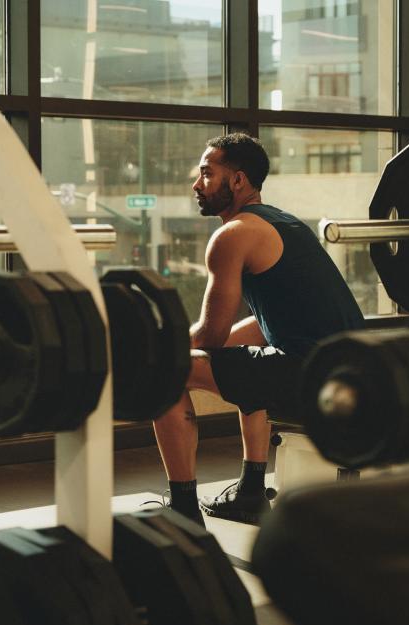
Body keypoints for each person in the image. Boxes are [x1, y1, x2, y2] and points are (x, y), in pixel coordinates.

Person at [153, 132, 365, 526]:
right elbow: (268, 325)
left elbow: (210, 338)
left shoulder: (232, 236)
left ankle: (182, 513)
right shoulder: (285, 223)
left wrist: (162, 351)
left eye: (206, 174)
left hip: (314, 380)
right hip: (350, 371)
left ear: (238, 180)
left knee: (165, 372)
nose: (197, 184)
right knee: (248, 363)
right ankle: (251, 492)